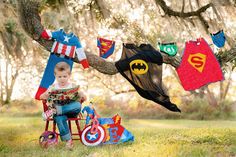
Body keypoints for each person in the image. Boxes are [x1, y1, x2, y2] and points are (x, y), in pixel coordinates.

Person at [40, 61, 86, 149]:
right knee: (59, 118)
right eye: (59, 76)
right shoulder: (53, 87)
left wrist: (81, 94)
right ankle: (68, 141)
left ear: (69, 75)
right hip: (60, 113)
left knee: (77, 105)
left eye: (65, 76)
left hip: (71, 110)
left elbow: (84, 98)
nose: (62, 79)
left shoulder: (73, 86)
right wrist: (47, 94)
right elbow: (41, 96)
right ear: (55, 76)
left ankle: (54, 112)